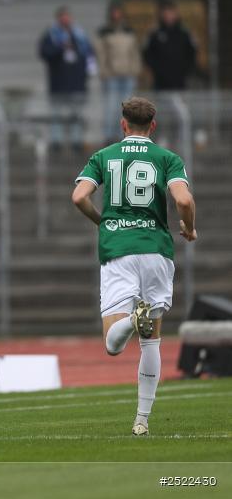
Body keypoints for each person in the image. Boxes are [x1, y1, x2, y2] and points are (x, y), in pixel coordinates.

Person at [72, 96, 196, 436]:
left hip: (118, 250)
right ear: (153, 126)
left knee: (113, 346)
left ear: (122, 124)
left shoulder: (104, 156)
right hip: (156, 250)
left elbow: (79, 197)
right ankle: (141, 420)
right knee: (152, 341)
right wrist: (190, 226)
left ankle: (130, 317)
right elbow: (183, 200)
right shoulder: (167, 158)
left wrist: (102, 221)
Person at [38, 6, 95, 151]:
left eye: (67, 17)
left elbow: (88, 53)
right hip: (58, 83)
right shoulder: (51, 35)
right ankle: (56, 142)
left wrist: (87, 73)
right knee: (56, 114)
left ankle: (77, 141)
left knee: (76, 114)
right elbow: (44, 53)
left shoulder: (79, 35)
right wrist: (60, 47)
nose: (65, 20)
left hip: (76, 83)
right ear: (58, 19)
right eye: (62, 17)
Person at [94, 3, 141, 142]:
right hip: (111, 76)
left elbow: (134, 54)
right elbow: (101, 54)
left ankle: (125, 134)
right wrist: (104, 71)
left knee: (127, 109)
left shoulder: (129, 31)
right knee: (110, 107)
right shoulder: (104, 32)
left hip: (128, 75)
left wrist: (135, 70)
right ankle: (109, 136)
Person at [142, 2, 197, 92]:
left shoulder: (185, 33)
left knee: (180, 105)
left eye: (171, 13)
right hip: (160, 81)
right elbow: (146, 53)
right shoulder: (154, 33)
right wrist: (156, 69)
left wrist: (186, 70)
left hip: (180, 80)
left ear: (176, 14)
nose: (168, 16)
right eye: (166, 13)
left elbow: (192, 52)